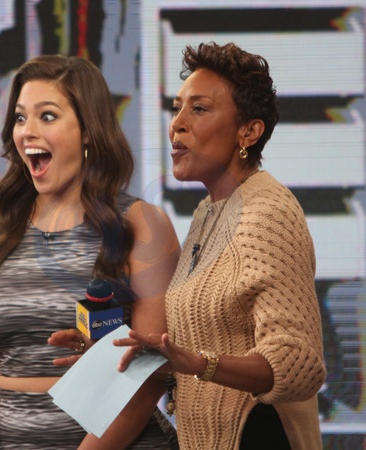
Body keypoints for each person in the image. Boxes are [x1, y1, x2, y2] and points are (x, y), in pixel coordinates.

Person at [0, 54, 181, 449]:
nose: (27, 131)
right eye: (20, 118)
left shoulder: (142, 224)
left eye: (47, 116)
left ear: (88, 131)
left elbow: (148, 376)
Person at [114, 41, 327, 450]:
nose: (177, 124)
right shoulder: (208, 213)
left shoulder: (269, 213)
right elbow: (203, 350)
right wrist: (111, 354)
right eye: (176, 108)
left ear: (249, 131)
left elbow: (299, 363)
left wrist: (199, 363)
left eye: (199, 109)